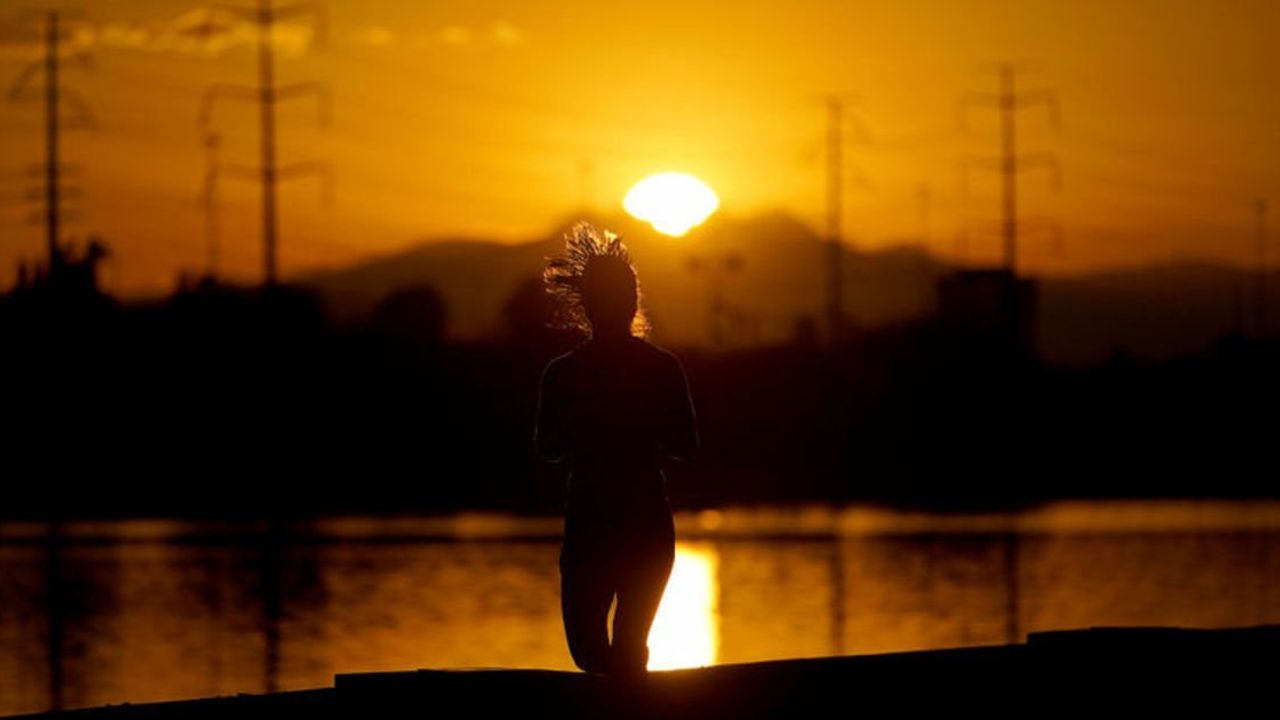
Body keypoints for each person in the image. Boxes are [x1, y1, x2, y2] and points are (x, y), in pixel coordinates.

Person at [535, 222, 698, 676]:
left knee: (622, 652)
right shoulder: (564, 374)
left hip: (630, 526)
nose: (620, 303)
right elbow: (547, 446)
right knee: (594, 653)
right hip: (602, 526)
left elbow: (687, 444)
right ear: (588, 304)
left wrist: (630, 418)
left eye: (624, 292)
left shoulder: (659, 369)